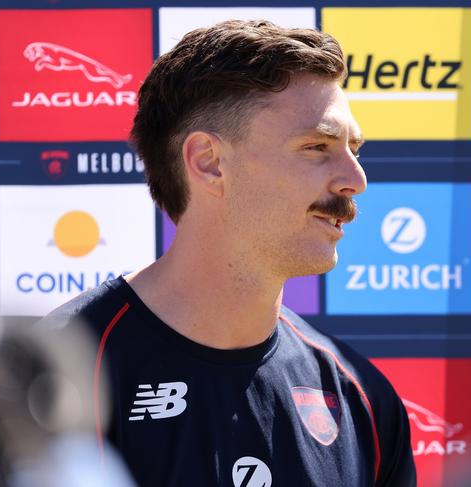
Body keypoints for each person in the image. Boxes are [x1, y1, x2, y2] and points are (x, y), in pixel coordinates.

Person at [45, 20, 416, 487]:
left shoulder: (361, 398)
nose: (355, 180)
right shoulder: (53, 380)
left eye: (353, 149)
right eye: (317, 147)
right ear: (209, 162)